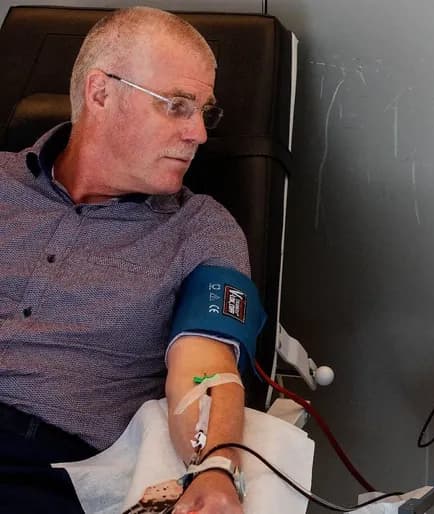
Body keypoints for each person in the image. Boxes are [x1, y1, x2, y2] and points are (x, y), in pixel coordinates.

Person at [0, 6, 256, 513]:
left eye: (204, 112)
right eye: (177, 105)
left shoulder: (200, 227)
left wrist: (216, 465)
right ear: (100, 94)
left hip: (48, 468)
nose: (199, 134)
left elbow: (204, 368)